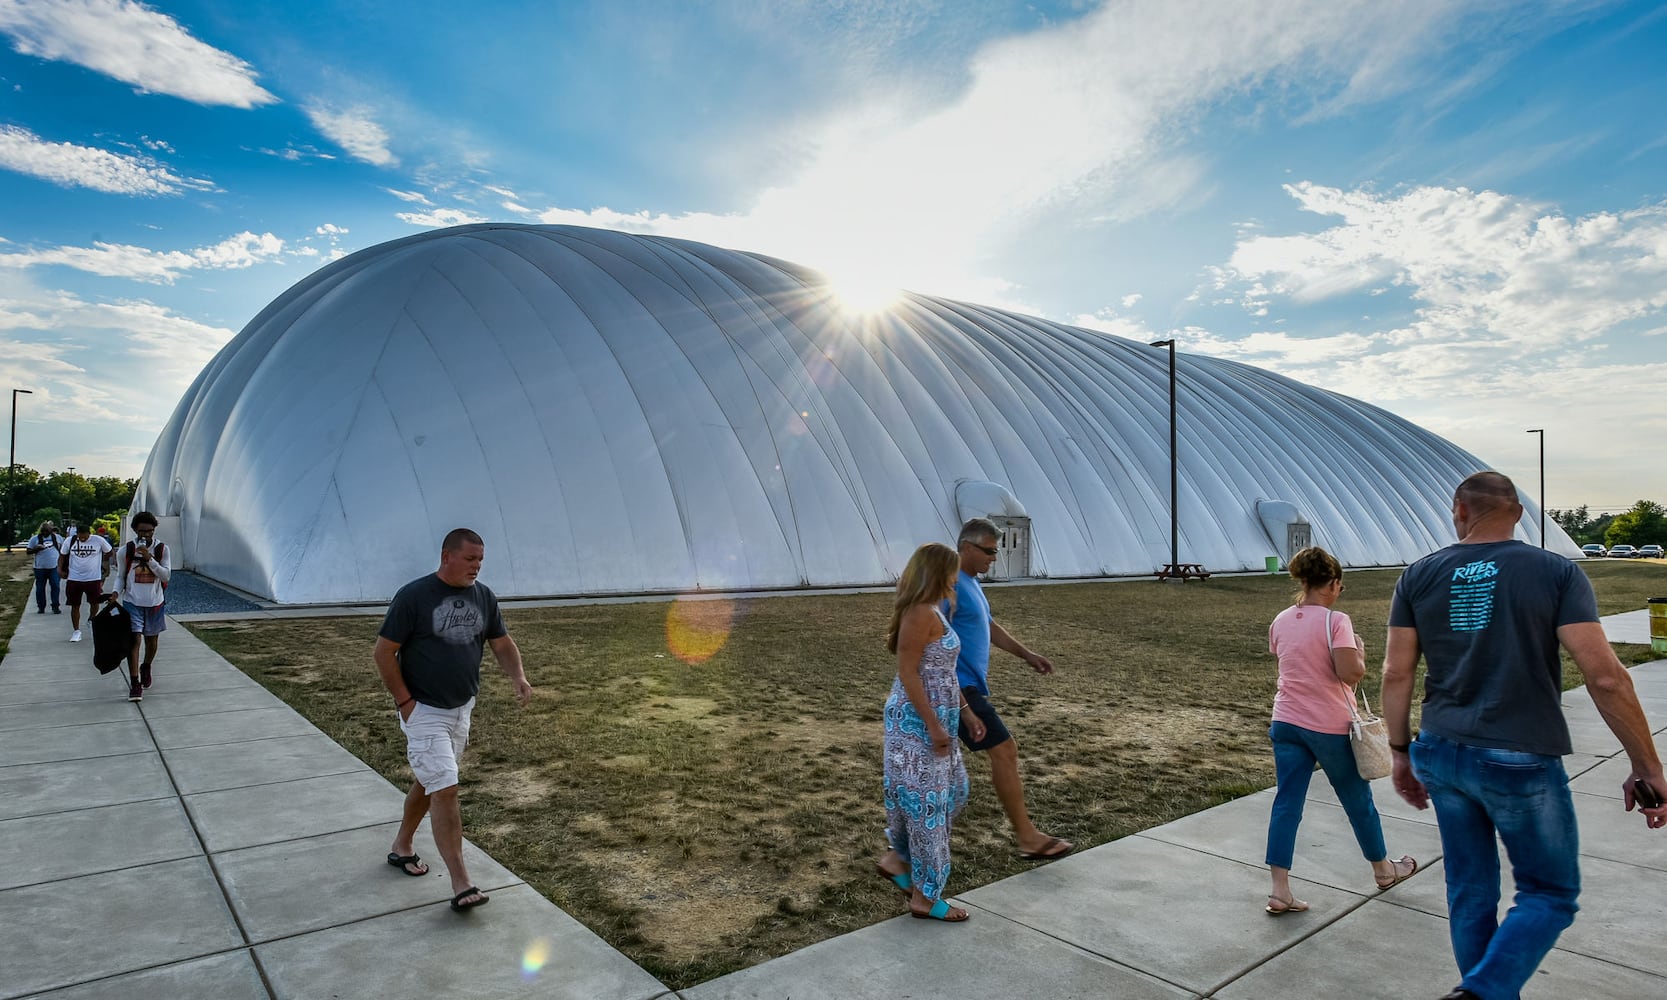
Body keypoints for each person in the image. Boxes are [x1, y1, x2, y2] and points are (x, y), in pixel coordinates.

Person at [1383, 471, 1667, 1000]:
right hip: (1520, 757)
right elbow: (1605, 676)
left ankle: (1484, 990)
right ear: (1518, 514)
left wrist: (1401, 754)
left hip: (1441, 751)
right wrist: (1647, 766)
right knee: (1550, 893)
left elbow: (1396, 674)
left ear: (1459, 512)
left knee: (1470, 891)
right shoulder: (1556, 572)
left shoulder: (1418, 575)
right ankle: (1484, 992)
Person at [375, 527, 533, 914]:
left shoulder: (483, 597)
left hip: (462, 708)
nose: (476, 566)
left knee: (430, 781)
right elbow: (383, 653)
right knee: (446, 786)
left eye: (480, 559)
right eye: (469, 558)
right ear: (447, 556)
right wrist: (406, 704)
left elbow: (501, 642)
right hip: (424, 710)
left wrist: (518, 676)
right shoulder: (414, 596)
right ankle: (462, 882)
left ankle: (402, 847)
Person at [1263, 546, 1417, 915]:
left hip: (1286, 720)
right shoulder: (1336, 622)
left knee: (1287, 803)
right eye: (1340, 586)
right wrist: (1359, 651)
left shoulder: (1281, 619)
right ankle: (1383, 870)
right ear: (1332, 583)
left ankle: (1279, 890)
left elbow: (1290, 659)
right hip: (1328, 725)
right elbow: (1349, 673)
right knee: (1356, 800)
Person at [945, 517, 1072, 860]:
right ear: (967, 547)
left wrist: (1026, 654)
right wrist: (960, 703)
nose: (993, 558)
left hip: (964, 688)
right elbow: (928, 636)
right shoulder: (948, 583)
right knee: (1004, 750)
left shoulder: (971, 582)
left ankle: (899, 854)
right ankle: (1027, 837)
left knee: (936, 773)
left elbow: (988, 625)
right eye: (987, 551)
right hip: (956, 688)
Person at [876, 542, 987, 922]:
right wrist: (935, 726)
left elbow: (942, 672)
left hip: (939, 718)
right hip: (915, 723)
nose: (958, 577)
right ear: (940, 571)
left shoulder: (935, 612)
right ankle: (924, 896)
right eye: (953, 570)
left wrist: (966, 713)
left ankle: (898, 859)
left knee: (954, 792)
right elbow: (909, 674)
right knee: (927, 809)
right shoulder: (919, 613)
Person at [111, 511, 170, 702]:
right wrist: (115, 593)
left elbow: (165, 576)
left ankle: (146, 666)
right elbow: (120, 577)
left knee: (151, 640)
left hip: (154, 602)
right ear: (135, 530)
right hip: (132, 601)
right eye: (142, 531)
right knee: (134, 640)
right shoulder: (125, 551)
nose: (146, 535)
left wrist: (149, 559)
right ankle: (135, 682)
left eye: (150, 531)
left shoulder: (162, 549)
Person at [60, 522, 113, 642]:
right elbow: (62, 556)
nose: (82, 538)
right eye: (80, 536)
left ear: (90, 534)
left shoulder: (98, 540)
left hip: (93, 578)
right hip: (74, 578)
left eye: (85, 536)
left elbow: (109, 552)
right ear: (77, 534)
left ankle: (92, 619)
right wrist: (60, 569)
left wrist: (103, 562)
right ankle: (76, 631)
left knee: (95, 603)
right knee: (75, 605)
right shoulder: (70, 541)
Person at [25, 520, 63, 615]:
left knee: (55, 586)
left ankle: (55, 606)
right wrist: (36, 549)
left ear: (51, 530)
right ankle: (41, 607)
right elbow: (28, 551)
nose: (45, 533)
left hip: (54, 566)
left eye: (47, 531)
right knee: (40, 588)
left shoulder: (57, 538)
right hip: (40, 567)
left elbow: (63, 551)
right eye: (43, 531)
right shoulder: (35, 539)